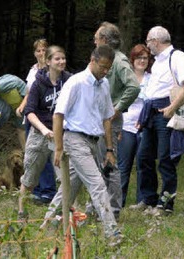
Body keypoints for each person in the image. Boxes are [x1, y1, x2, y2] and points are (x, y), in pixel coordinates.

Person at [45, 45, 120, 239]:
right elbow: (58, 115)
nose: (105, 71)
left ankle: (47, 225)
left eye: (108, 68)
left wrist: (109, 149)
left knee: (69, 188)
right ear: (92, 60)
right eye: (102, 66)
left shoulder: (103, 84)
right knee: (97, 184)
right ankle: (113, 234)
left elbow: (106, 118)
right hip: (74, 139)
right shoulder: (76, 82)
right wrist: (59, 147)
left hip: (94, 142)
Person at [133, 26, 184, 215]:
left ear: (155, 41)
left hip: (165, 112)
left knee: (165, 159)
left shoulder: (177, 57)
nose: (147, 45)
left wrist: (172, 107)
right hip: (151, 112)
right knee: (143, 157)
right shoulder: (158, 61)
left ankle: (165, 204)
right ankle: (148, 198)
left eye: (148, 41)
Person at [92, 22, 141, 218]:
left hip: (110, 121)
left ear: (104, 40)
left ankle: (113, 209)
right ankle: (99, 206)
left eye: (96, 39)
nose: (94, 42)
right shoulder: (108, 60)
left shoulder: (119, 62)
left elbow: (134, 87)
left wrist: (118, 108)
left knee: (110, 162)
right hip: (99, 119)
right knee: (99, 163)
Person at [17, 45, 71, 218]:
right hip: (40, 134)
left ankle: (68, 214)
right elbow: (29, 111)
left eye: (63, 58)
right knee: (30, 178)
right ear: (48, 62)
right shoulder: (38, 84)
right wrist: (44, 129)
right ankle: (21, 211)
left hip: (61, 136)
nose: (61, 62)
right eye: (57, 59)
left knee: (66, 177)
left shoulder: (69, 81)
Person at [17, 39, 58, 205]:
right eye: (38, 51)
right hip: (31, 117)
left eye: (44, 50)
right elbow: (29, 93)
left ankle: (48, 191)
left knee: (47, 155)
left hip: (47, 120)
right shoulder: (33, 71)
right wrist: (21, 107)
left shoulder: (52, 70)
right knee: (32, 156)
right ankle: (36, 189)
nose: (41, 53)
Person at [120, 44, 151, 208]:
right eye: (139, 57)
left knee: (142, 164)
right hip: (126, 126)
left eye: (145, 58)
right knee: (123, 166)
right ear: (132, 59)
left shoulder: (151, 79)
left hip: (144, 127)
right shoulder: (126, 77)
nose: (142, 61)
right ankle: (119, 200)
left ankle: (142, 201)